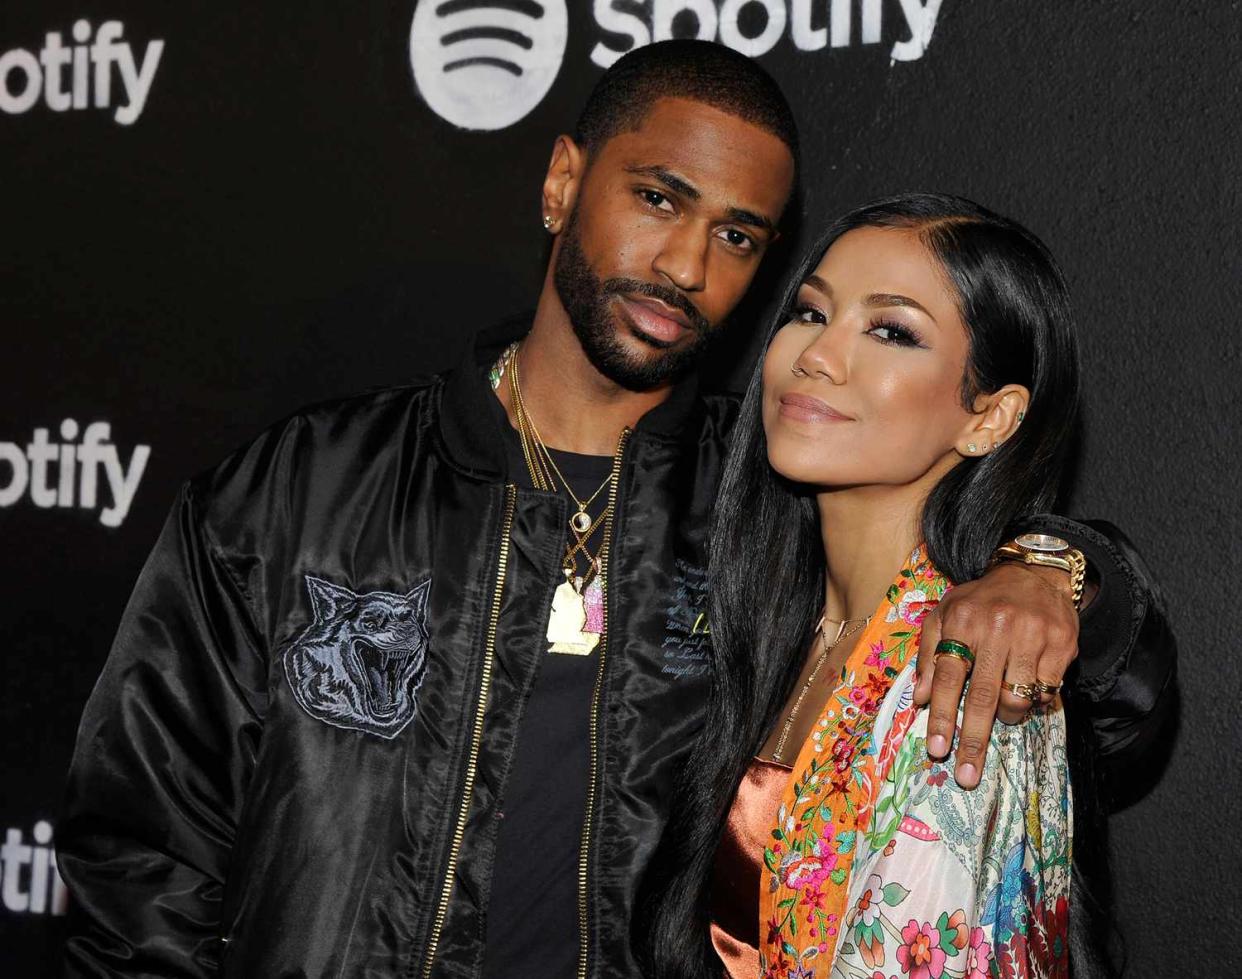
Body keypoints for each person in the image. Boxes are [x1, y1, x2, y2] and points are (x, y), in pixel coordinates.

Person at [57, 43, 1173, 979]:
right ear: (561, 184)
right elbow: (140, 859)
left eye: (738, 237)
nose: (686, 262)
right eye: (657, 197)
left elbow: (1098, 697)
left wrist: (1056, 566)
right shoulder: (303, 488)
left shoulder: (768, 505)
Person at [638, 193, 1154, 978]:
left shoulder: (969, 671)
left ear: (989, 417)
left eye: (890, 330)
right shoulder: (779, 625)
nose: (817, 354)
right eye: (811, 313)